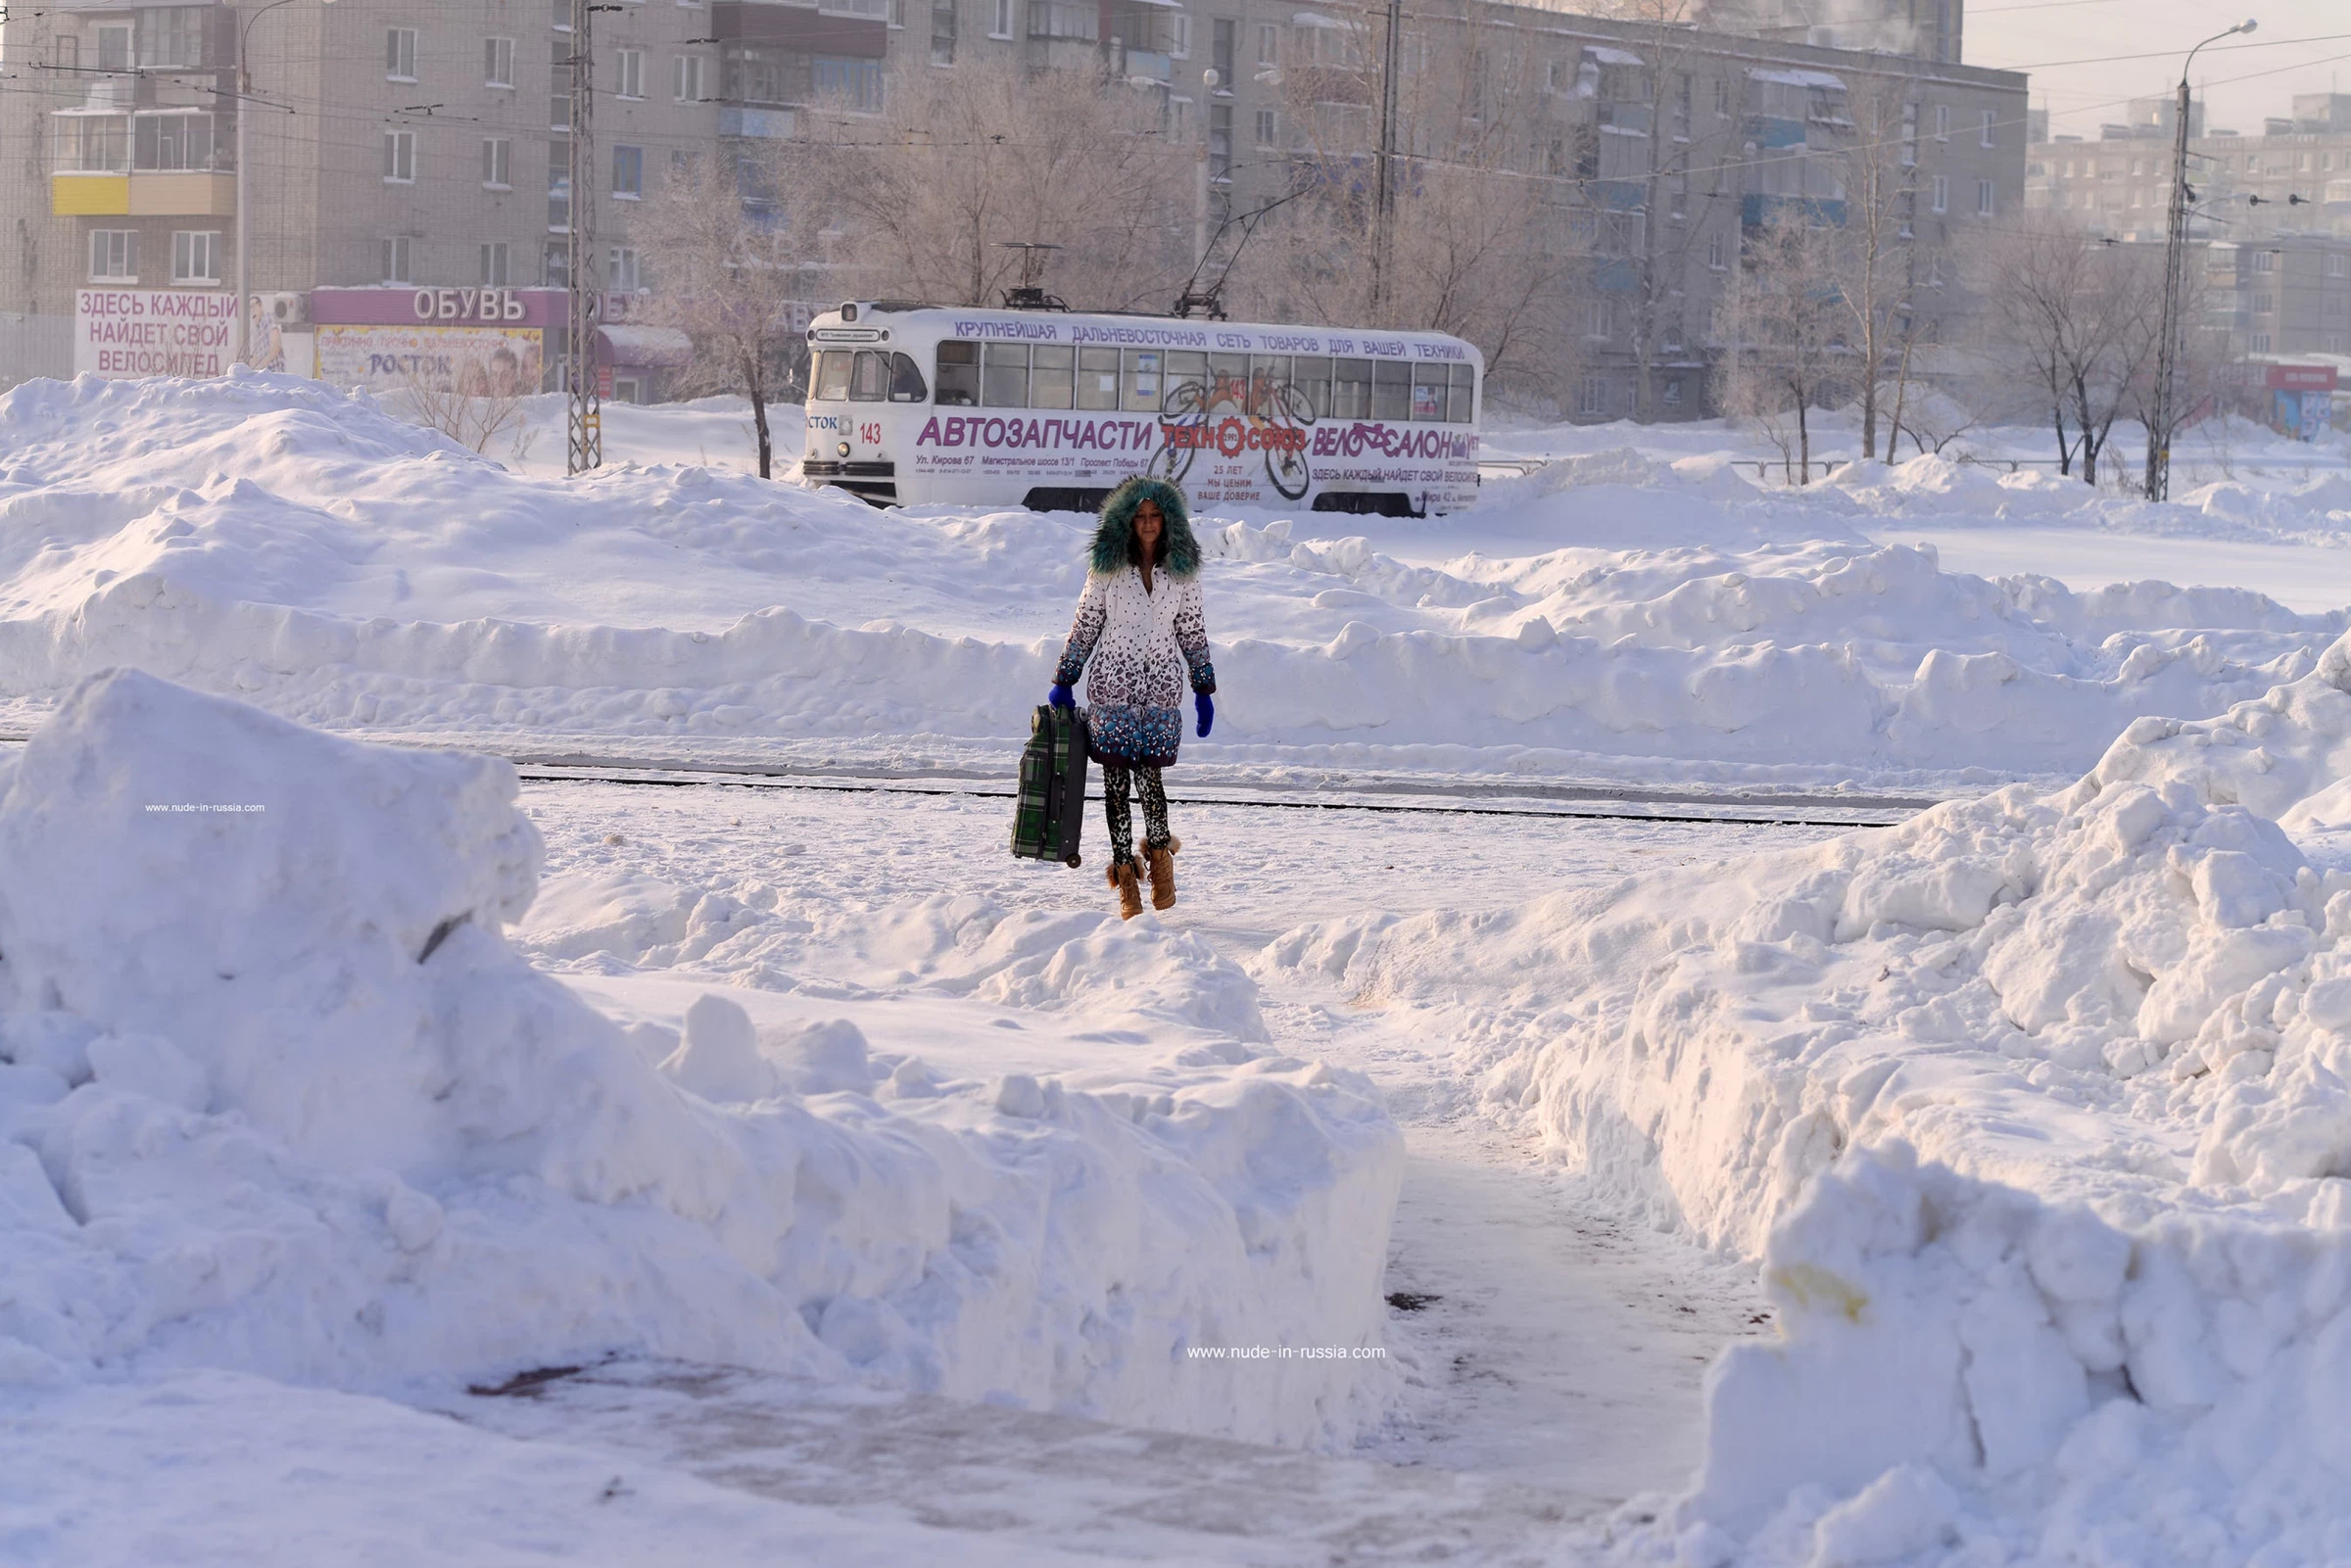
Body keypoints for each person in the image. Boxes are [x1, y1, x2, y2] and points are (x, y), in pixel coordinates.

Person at [1049, 477, 1216, 921]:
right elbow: (1085, 624)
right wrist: (1065, 678)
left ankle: (1161, 863)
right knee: (1117, 786)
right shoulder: (1106, 569)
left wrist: (1203, 688)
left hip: (1160, 690)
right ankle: (1126, 879)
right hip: (1112, 691)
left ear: (1168, 521)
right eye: (1139, 516)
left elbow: (1192, 632)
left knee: (1151, 782)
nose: (1147, 524)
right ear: (1126, 521)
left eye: (1155, 515)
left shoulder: (1183, 572)